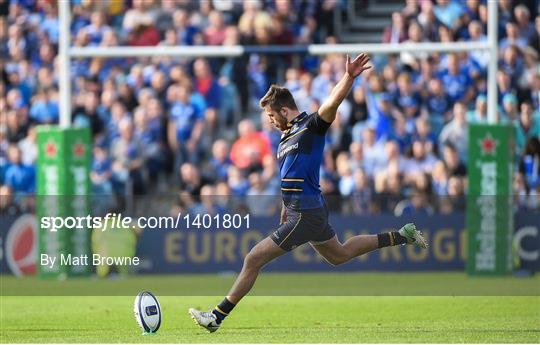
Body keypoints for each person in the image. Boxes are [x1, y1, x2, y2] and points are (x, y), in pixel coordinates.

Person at [188, 53, 428, 332]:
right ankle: (402, 235)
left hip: (305, 213)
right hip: (304, 210)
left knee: (253, 258)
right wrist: (283, 207)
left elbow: (332, 102)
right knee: (339, 255)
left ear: (285, 110)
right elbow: (289, 176)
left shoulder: (311, 126)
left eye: (271, 114)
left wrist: (348, 77)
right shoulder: (284, 137)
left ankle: (216, 317)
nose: (270, 120)